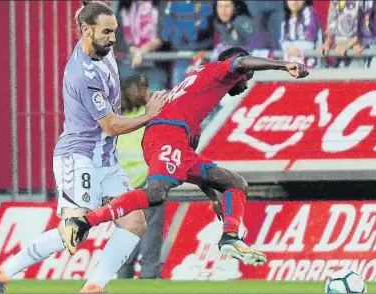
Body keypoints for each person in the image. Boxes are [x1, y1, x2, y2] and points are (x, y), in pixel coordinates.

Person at [0, 1, 166, 293]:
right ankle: (1, 273)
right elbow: (111, 126)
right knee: (75, 233)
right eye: (106, 32)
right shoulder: (83, 74)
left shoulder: (102, 47)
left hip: (106, 160)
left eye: (115, 31)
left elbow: (94, 11)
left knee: (134, 222)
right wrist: (150, 116)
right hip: (79, 158)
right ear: (85, 31)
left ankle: (94, 286)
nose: (113, 38)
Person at [63, 46, 309, 266]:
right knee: (155, 193)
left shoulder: (198, 90)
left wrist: (212, 195)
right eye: (248, 76)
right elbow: (240, 63)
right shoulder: (218, 71)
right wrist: (283, 66)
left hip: (169, 136)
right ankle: (84, 222)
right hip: (168, 133)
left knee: (235, 184)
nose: (246, 82)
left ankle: (231, 237)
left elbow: (187, 158)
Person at [116, 75, 165, 279]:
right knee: (151, 230)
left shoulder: (118, 120)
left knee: (127, 232)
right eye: (146, 88)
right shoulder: (149, 117)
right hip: (148, 181)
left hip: (122, 185)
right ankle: (149, 274)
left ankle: (123, 275)